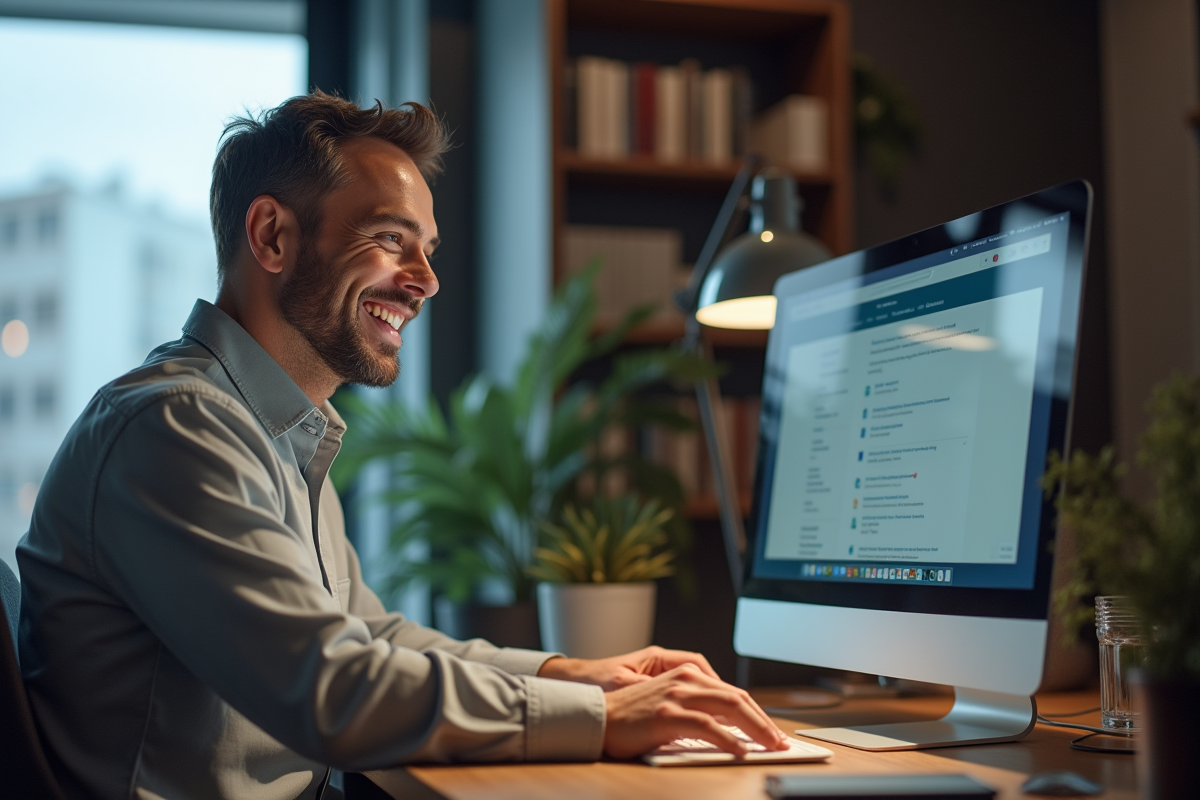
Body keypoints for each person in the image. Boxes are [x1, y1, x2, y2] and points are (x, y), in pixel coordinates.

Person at [16, 93, 788, 800]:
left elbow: (368, 636)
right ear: (272, 235)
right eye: (391, 239)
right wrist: (594, 715)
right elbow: (331, 685)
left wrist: (573, 674)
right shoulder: (178, 427)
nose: (426, 281)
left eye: (428, 248)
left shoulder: (277, 430)